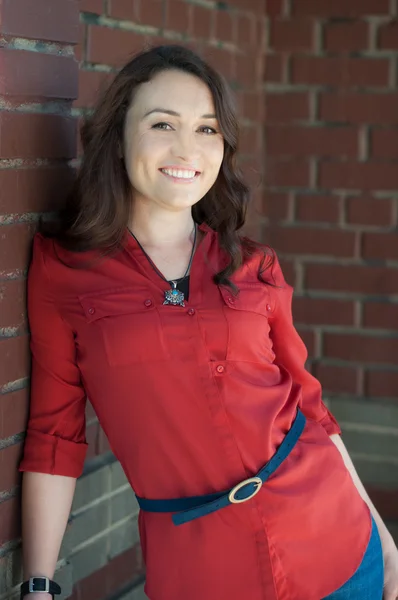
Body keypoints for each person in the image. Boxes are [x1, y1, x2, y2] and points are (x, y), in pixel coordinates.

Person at [18, 44, 398, 600]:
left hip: (337, 550)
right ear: (118, 138)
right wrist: (38, 583)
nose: (186, 148)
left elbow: (311, 408)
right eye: (162, 123)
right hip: (202, 574)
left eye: (207, 130)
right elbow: (55, 436)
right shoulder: (64, 272)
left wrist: (382, 536)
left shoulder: (255, 266)